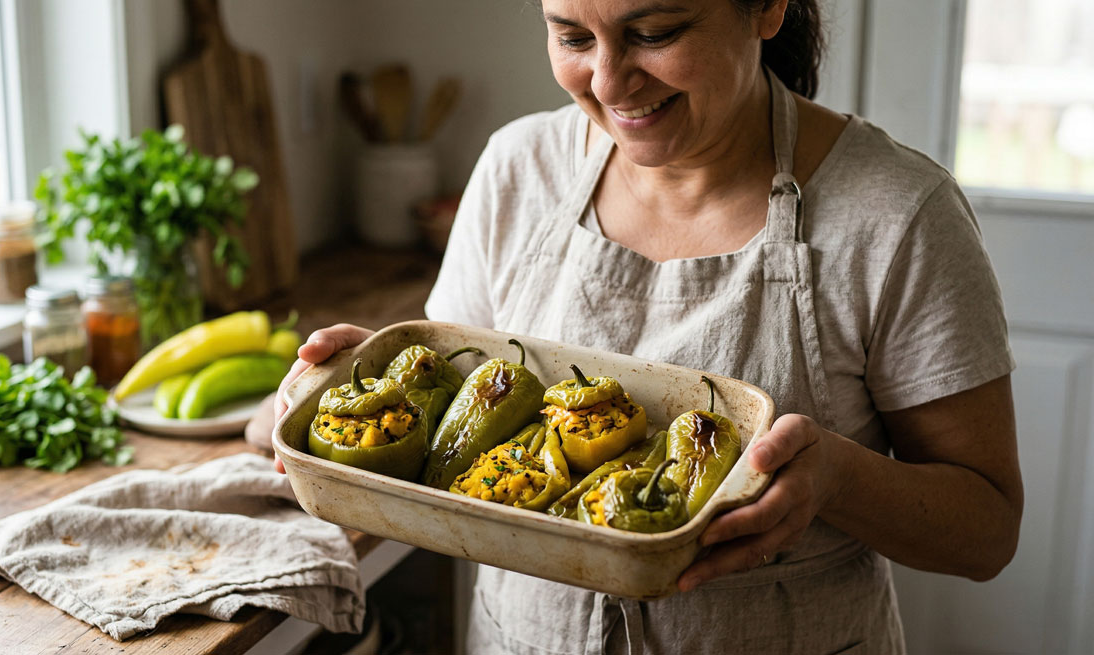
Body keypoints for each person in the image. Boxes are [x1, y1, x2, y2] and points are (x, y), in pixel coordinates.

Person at [272, 0, 1024, 652]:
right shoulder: (517, 169)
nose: (606, 82)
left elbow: (985, 529)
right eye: (572, 37)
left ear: (766, 8)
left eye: (654, 31)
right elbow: (443, 421)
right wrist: (345, 388)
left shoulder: (897, 216)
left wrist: (836, 477)